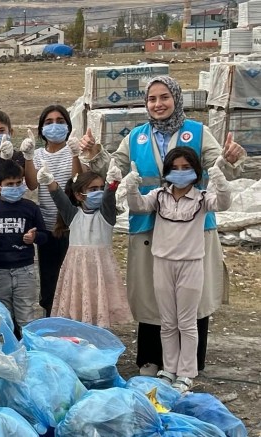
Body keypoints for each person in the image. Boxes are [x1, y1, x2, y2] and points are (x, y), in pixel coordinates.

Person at [88, 75, 246, 376]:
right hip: (148, 224)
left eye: (164, 97)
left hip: (192, 226)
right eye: (152, 99)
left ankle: (190, 364)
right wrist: (97, 155)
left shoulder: (197, 133)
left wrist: (230, 160)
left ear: (176, 98)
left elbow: (219, 166)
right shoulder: (136, 137)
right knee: (151, 293)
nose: (158, 104)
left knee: (193, 296)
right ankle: (150, 359)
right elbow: (115, 167)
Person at [125, 146, 232, 393]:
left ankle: (186, 373)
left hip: (191, 265)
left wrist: (219, 179)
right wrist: (131, 186)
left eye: (186, 168)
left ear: (196, 171)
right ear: (167, 171)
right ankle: (169, 369)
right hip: (162, 263)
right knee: (168, 322)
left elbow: (224, 204)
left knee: (187, 322)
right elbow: (139, 206)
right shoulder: (159, 195)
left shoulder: (202, 198)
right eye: (175, 168)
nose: (181, 172)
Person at [39, 166, 130, 328]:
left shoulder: (106, 216)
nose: (99, 192)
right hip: (78, 272)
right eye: (93, 189)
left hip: (100, 271)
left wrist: (113, 184)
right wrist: (49, 181)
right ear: (79, 195)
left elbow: (109, 199)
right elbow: (59, 198)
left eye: (101, 188)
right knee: (78, 310)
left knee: (99, 310)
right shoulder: (73, 215)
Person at [22, 104, 84, 317]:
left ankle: (73, 320)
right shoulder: (39, 155)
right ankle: (51, 319)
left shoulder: (74, 150)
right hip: (46, 228)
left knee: (72, 279)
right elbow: (31, 184)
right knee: (49, 281)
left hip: (71, 227)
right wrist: (28, 158)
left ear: (68, 126)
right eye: (49, 122)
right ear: (41, 129)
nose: (54, 126)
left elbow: (78, 184)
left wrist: (76, 154)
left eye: (60, 121)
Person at [0, 160, 48, 331]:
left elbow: (44, 236)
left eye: (18, 183)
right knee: (2, 316)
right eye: (10, 184)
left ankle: (29, 350)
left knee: (26, 314)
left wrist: (34, 237)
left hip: (25, 269)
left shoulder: (31, 208)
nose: (15, 187)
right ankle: (8, 350)